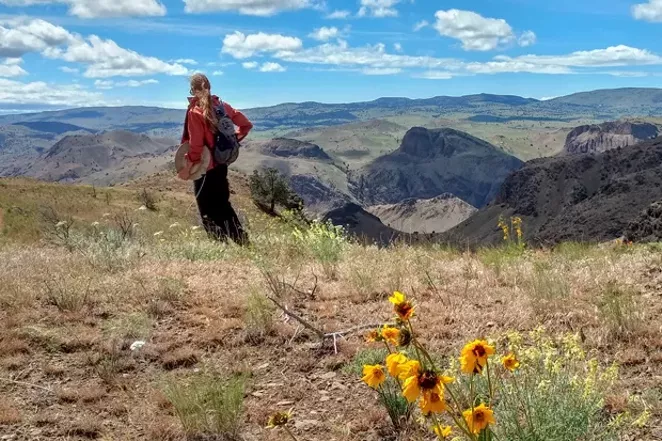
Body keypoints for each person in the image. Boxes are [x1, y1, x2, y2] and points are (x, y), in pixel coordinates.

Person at [178, 73, 253, 245]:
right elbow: (246, 125)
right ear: (210, 87)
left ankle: (220, 248)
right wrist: (234, 139)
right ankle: (244, 242)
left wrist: (188, 167)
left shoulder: (195, 111)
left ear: (192, 90)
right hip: (221, 164)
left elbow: (196, 145)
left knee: (206, 210)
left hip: (205, 168)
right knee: (223, 205)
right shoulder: (222, 106)